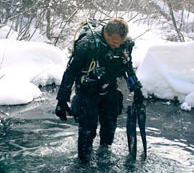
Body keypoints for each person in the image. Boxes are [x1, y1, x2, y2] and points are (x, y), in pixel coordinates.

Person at [55, 17, 143, 163]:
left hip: (110, 90)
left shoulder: (126, 44)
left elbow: (127, 67)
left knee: (109, 127)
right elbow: (70, 71)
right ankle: (83, 164)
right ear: (105, 33)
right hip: (87, 91)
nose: (116, 46)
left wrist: (136, 88)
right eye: (114, 42)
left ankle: (104, 157)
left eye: (119, 43)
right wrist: (62, 100)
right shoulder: (87, 44)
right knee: (88, 130)